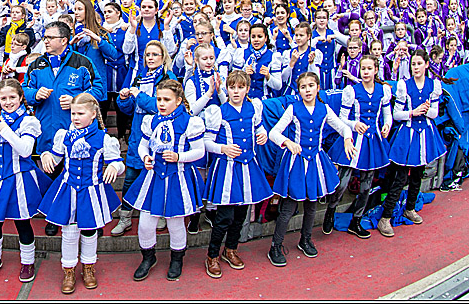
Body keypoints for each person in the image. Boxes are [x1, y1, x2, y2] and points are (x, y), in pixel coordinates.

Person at [22, 21, 106, 236]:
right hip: (46, 130)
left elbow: (99, 89)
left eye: (50, 37)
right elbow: (25, 90)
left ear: (64, 40)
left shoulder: (82, 62)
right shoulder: (37, 64)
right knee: (50, 175)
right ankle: (54, 216)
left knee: (75, 175)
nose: (46, 41)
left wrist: (78, 100)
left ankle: (85, 216)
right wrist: (34, 95)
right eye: (45, 37)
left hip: (77, 132)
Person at [38, 93, 124, 294]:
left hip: (91, 189)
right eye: (73, 113)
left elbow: (117, 163)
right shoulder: (64, 135)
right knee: (68, 232)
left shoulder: (104, 139)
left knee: (89, 231)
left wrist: (114, 167)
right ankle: (68, 269)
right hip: (68, 188)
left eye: (80, 113)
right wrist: (46, 155)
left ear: (93, 114)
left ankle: (88, 267)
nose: (75, 117)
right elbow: (56, 155)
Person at [267, 71, 354, 266]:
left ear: (317, 88)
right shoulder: (293, 108)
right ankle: (275, 245)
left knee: (312, 205)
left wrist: (347, 139)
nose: (308, 90)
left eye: (311, 86)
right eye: (303, 87)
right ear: (299, 90)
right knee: (288, 207)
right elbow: (274, 133)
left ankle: (305, 239)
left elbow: (343, 127)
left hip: (316, 162)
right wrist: (287, 142)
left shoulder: (324, 109)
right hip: (295, 163)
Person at [124, 79, 205, 281]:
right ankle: (148, 257)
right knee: (145, 224)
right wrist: (145, 157)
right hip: (153, 177)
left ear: (178, 101)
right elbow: (143, 146)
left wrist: (180, 157)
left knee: (175, 223)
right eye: (159, 98)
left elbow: (199, 151)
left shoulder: (189, 122)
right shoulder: (151, 121)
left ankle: (177, 259)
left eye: (166, 99)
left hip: (178, 177)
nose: (161, 103)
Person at [0, 79, 49, 282]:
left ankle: (27, 262)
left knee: (22, 223)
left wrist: (3, 129)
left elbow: (25, 150)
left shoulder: (28, 121)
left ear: (21, 97)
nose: (7, 102)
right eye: (3, 98)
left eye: (12, 97)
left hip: (20, 178)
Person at [202, 70, 274, 277]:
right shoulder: (219, 111)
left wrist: (263, 135)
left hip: (248, 167)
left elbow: (259, 129)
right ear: (227, 89)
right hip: (227, 169)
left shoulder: (254, 108)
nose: (236, 91)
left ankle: (231, 249)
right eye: (232, 87)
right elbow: (207, 142)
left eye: (240, 87)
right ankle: (212, 255)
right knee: (224, 216)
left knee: (241, 215)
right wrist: (222, 149)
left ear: (247, 89)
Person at [377, 49, 447, 237]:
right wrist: (413, 112)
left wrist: (426, 110)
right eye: (413, 64)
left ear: (426, 64)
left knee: (418, 174)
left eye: (419, 64)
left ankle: (410, 208)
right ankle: (386, 217)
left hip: (425, 135)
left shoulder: (434, 85)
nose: (415, 67)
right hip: (407, 134)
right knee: (400, 177)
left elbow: (435, 113)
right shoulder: (403, 86)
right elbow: (396, 114)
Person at [325, 54, 393, 239]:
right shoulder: (352, 91)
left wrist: (387, 125)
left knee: (367, 184)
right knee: (343, 181)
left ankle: (356, 221)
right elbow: (341, 118)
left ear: (376, 70)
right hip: (353, 141)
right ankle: (330, 211)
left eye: (369, 69)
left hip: (373, 141)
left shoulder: (383, 91)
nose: (366, 72)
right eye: (363, 69)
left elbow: (387, 115)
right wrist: (354, 124)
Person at [113, 40, 174, 237]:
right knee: (130, 178)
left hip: (162, 136)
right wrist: (124, 99)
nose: (151, 58)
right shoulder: (139, 78)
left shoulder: (168, 77)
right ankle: (125, 217)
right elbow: (130, 110)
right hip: (138, 135)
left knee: (159, 177)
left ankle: (160, 213)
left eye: (155, 54)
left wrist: (138, 96)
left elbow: (160, 107)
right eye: (148, 55)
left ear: (163, 57)